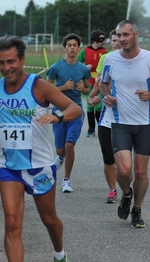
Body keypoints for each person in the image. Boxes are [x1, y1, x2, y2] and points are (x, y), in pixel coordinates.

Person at [0, 35, 82, 262]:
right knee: (12, 223)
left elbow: (74, 109)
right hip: (8, 167)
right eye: (1, 62)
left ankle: (60, 253)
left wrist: (56, 117)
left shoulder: (39, 87)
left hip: (40, 166)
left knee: (49, 219)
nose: (6, 68)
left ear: (22, 60)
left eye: (11, 62)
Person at [99, 20, 150, 228]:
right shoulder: (110, 60)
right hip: (119, 122)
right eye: (119, 36)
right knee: (124, 170)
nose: (121, 39)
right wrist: (106, 96)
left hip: (145, 123)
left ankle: (137, 209)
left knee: (140, 172)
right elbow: (103, 84)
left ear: (136, 34)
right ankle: (126, 194)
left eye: (126, 35)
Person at [47, 33, 91, 193]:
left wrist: (83, 89)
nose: (72, 48)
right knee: (60, 150)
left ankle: (66, 180)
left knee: (69, 145)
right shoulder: (55, 68)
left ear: (78, 48)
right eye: (69, 45)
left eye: (75, 45)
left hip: (76, 111)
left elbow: (88, 90)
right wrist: (63, 88)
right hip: (59, 112)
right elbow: (48, 89)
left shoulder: (83, 69)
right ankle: (60, 157)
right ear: (65, 47)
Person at [88, 29, 121, 203]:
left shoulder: (133, 59)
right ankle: (112, 190)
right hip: (107, 115)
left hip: (127, 117)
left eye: (119, 39)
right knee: (108, 156)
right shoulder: (106, 58)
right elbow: (100, 82)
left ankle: (126, 188)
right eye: (114, 40)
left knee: (123, 161)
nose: (117, 43)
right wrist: (94, 97)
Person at [78, 30, 107, 137]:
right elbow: (78, 64)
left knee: (99, 105)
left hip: (100, 81)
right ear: (95, 39)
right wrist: (85, 68)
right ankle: (91, 129)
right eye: (101, 39)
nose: (104, 41)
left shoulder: (105, 51)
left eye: (104, 38)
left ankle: (102, 127)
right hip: (88, 81)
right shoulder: (85, 50)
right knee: (90, 106)